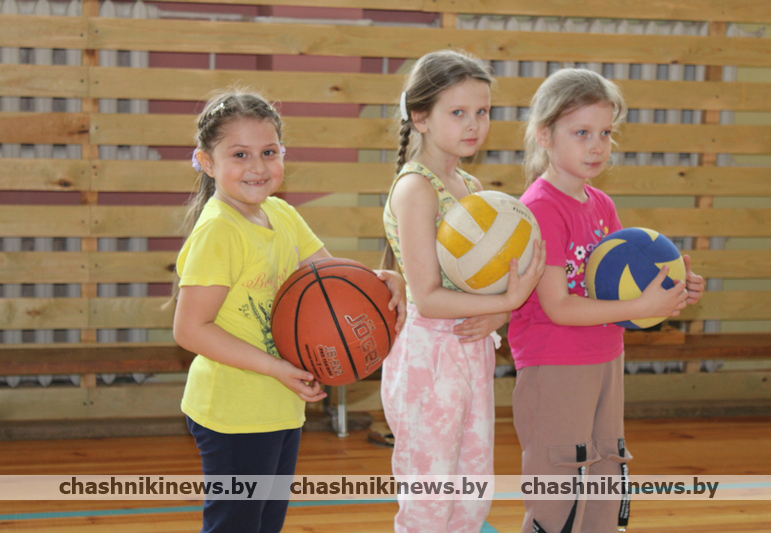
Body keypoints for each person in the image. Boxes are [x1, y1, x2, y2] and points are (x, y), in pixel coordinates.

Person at [172, 89, 406, 533]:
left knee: (266, 524)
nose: (258, 166)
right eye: (239, 154)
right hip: (233, 411)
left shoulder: (281, 213)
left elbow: (332, 283)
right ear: (207, 162)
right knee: (236, 526)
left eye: (269, 152)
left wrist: (384, 282)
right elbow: (190, 330)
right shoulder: (219, 230)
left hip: (280, 404)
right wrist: (275, 367)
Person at [509, 68, 706, 532]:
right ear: (544, 135)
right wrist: (640, 307)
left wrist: (673, 290)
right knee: (559, 483)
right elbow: (558, 306)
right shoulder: (540, 208)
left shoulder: (601, 204)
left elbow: (620, 291)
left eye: (605, 133)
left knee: (605, 472)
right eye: (582, 133)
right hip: (555, 364)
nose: (597, 146)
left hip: (606, 357)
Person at [381, 50, 546, 533]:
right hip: (427, 356)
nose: (474, 124)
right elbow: (429, 295)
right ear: (421, 117)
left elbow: (484, 284)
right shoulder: (415, 189)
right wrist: (508, 302)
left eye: (482, 111)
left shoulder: (470, 184)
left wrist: (500, 312)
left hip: (471, 348)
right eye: (458, 112)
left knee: (472, 497)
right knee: (430, 503)